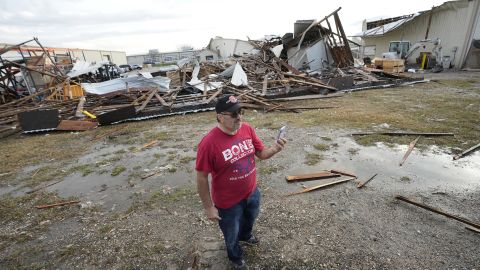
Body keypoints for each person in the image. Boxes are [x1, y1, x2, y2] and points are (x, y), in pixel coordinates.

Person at [196, 95, 287, 269]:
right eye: (233, 114)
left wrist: (275, 149)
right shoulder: (208, 143)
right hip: (228, 203)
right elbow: (201, 177)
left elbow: (261, 153)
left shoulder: (247, 129)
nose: (239, 117)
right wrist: (208, 207)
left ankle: (246, 236)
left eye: (240, 111)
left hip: (252, 193)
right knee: (231, 234)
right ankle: (235, 257)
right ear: (220, 117)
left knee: (250, 220)